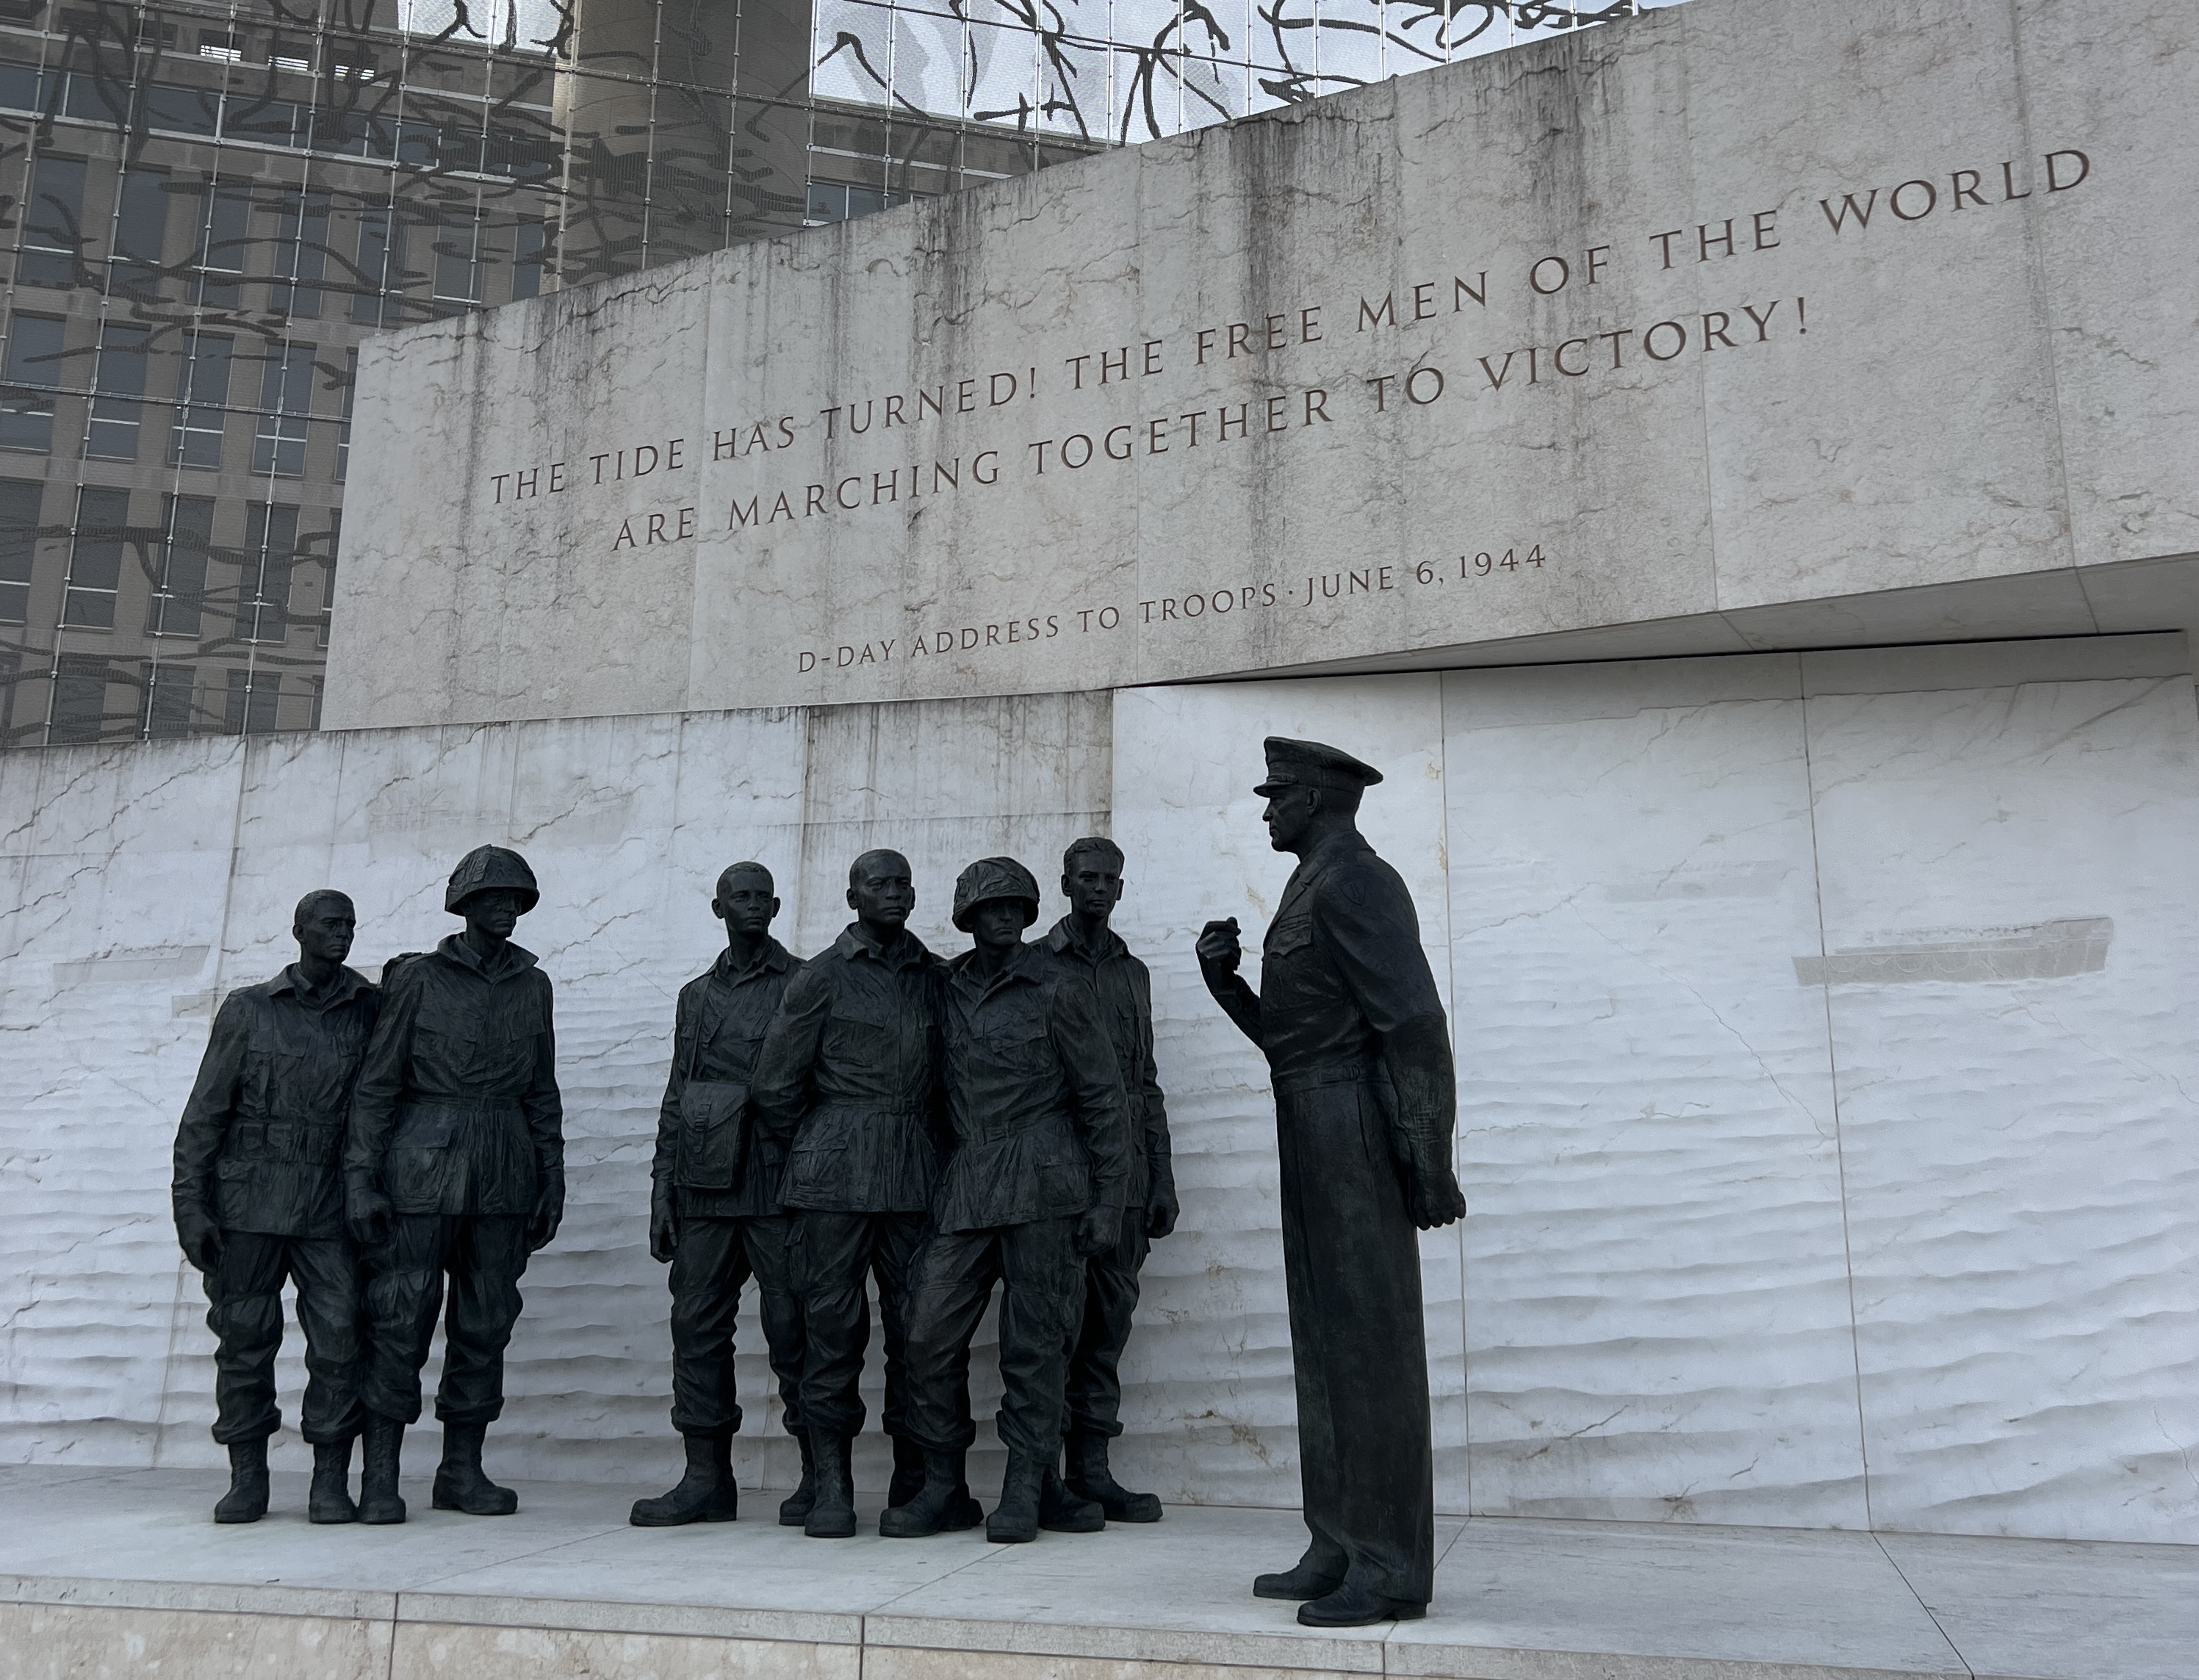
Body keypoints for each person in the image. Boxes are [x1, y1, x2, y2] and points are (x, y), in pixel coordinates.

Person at [1195, 738, 1466, 1627]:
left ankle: (1388, 1564)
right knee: (1323, 1340)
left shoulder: (1357, 881)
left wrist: (1427, 1159)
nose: (1266, 810)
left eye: (1276, 796)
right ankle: (1339, 1536)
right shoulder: (1311, 882)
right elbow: (1296, 1039)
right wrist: (1227, 987)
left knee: (1369, 1346)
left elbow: (1414, 1024)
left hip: (1351, 1124)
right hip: (1308, 1117)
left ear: (1312, 797)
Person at [884, 856, 1132, 1545]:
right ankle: (942, 1483)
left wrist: (1110, 1197)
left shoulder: (1060, 988)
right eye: (989, 906)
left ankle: (1027, 1482)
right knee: (925, 1332)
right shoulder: (944, 987)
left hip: (1046, 1180)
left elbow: (1104, 1097)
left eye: (1014, 906)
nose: (1002, 916)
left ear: (1027, 915)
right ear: (966, 916)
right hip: (967, 1181)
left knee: (1036, 1344)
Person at [345, 845, 564, 1524]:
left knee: (486, 1320)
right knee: (401, 1314)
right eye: (494, 896)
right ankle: (380, 1471)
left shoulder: (534, 985)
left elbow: (540, 1087)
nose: (507, 908)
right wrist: (360, 1175)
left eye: (517, 899)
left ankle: (461, 1469)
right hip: (422, 1161)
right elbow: (377, 1082)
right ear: (464, 903)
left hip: (504, 1166)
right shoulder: (419, 978)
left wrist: (551, 1174)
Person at [749, 848, 952, 1537]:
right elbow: (775, 1086)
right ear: (852, 896)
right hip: (832, 1177)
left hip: (912, 1175)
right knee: (829, 1333)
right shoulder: (820, 978)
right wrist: (822, 1143)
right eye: (879, 884)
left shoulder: (936, 978)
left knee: (915, 1333)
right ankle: (829, 1482)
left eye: (903, 883)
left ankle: (913, 1480)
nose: (893, 893)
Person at [171, 890, 378, 1524]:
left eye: (348, 923)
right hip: (246, 1206)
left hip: (328, 1206)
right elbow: (204, 1114)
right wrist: (190, 1204)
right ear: (298, 931)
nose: (340, 933)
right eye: (328, 923)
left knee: (341, 1341)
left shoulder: (371, 1008)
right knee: (243, 1342)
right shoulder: (249, 1009)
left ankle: (329, 1480)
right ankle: (247, 1477)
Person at [631, 862, 809, 1526]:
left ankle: (817, 1473)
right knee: (695, 1328)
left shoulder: (802, 983)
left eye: (765, 897)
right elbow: (678, 1093)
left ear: (778, 904)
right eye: (742, 897)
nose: (755, 906)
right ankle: (706, 1477)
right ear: (718, 908)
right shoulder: (695, 996)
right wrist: (661, 1190)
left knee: (794, 1327)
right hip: (705, 1183)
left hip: (777, 1182)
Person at [1037, 837, 1178, 1523]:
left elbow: (1143, 1082)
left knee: (1107, 1323)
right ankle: (1037, 1476)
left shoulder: (1134, 973)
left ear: (1121, 888)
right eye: (1086, 877)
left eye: (1109, 879)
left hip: (1124, 1173)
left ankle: (1091, 1469)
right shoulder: (1033, 964)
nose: (1097, 888)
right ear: (1064, 883)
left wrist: (1161, 1176)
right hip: (1053, 1169)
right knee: (1047, 1322)